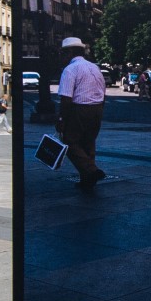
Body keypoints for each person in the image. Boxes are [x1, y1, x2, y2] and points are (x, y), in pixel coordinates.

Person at [57, 37, 107, 188]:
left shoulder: (70, 69)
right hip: (97, 108)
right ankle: (87, 179)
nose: (62, 56)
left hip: (79, 109)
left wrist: (61, 119)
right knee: (88, 143)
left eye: (63, 53)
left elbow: (66, 98)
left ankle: (91, 171)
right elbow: (103, 92)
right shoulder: (94, 67)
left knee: (70, 142)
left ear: (70, 52)